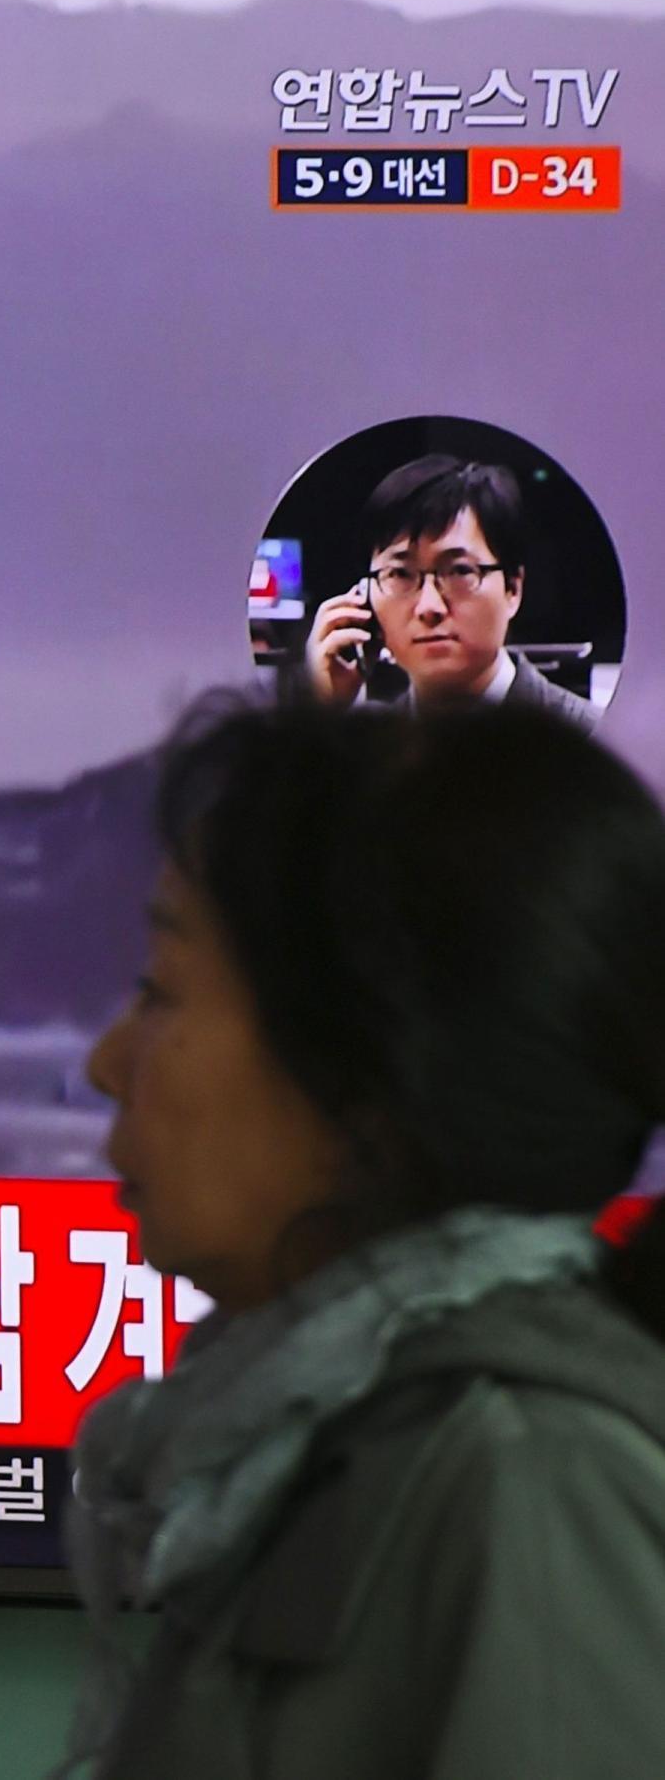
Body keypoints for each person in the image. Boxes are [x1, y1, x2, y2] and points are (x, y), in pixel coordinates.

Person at [54, 695, 665, 1778]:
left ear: (366, 1093)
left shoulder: (532, 1487)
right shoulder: (307, 1438)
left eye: (159, 993)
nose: (108, 1063)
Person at [302, 454, 598, 729]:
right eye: (400, 574)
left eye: (459, 572)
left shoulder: (593, 738)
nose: (429, 608)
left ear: (513, 589)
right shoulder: (364, 744)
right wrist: (322, 715)